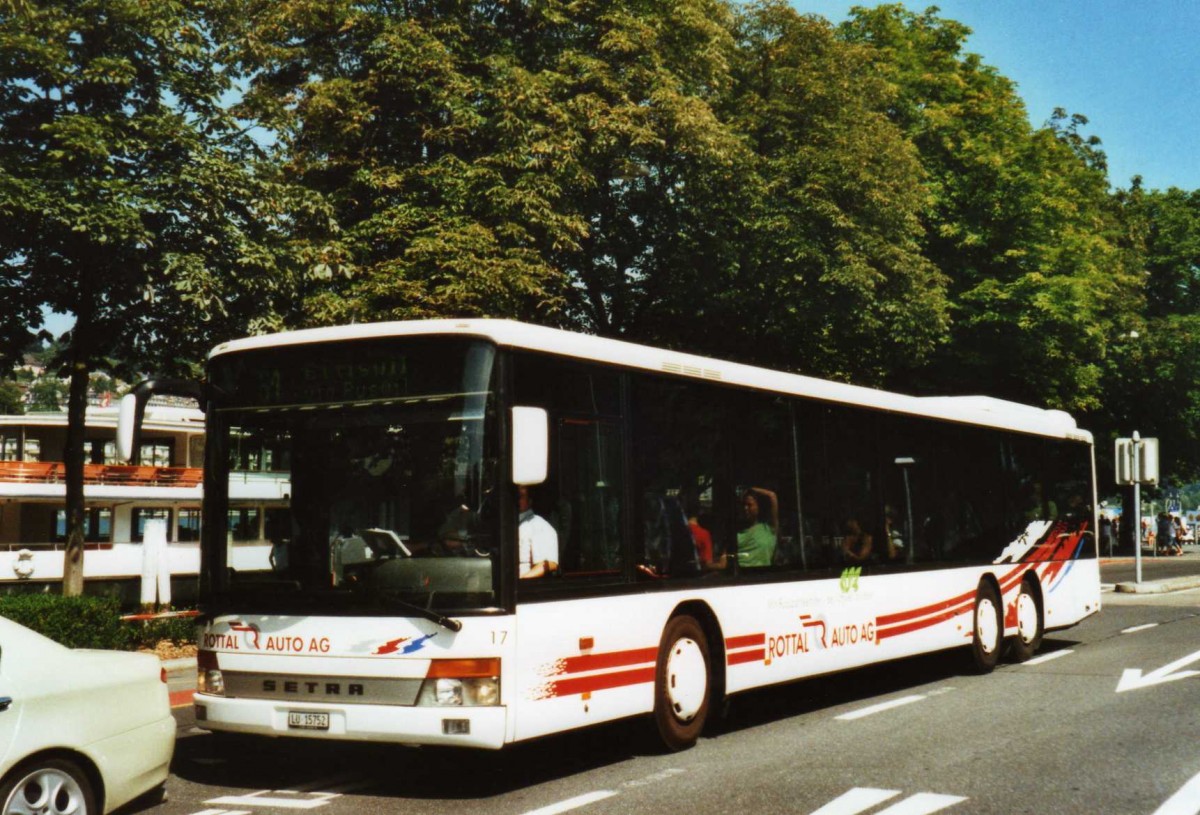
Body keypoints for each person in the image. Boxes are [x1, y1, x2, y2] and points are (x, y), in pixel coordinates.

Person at [518, 485, 559, 578]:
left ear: (529, 501)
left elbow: (549, 564)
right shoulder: (507, 524)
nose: (517, 500)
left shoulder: (539, 526)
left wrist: (521, 580)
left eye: (521, 496)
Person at [736, 487, 777, 567]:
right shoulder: (737, 532)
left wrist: (750, 489)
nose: (745, 508)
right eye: (744, 505)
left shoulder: (768, 528)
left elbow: (772, 496)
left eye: (749, 505)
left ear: (759, 507)